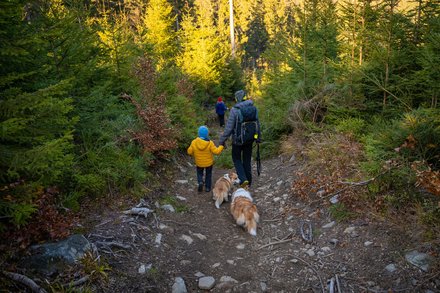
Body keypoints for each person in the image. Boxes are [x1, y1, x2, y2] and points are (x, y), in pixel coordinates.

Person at [218, 90, 261, 188]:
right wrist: (258, 137)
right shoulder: (253, 108)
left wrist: (222, 140)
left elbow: (229, 128)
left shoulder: (235, 110)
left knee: (236, 158)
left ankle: (243, 178)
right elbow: (257, 124)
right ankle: (249, 181)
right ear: (245, 97)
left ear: (237, 98)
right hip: (250, 139)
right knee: (247, 159)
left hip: (237, 141)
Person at [187, 125, 224, 192]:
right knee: (208, 174)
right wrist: (221, 146)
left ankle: (200, 182)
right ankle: (207, 187)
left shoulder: (194, 142)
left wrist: (193, 153)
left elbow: (189, 152)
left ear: (198, 133)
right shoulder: (210, 143)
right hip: (208, 163)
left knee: (199, 173)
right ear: (207, 134)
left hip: (199, 162)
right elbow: (216, 152)